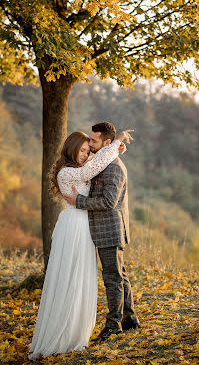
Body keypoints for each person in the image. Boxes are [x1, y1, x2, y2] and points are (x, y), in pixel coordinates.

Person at [28, 128, 133, 360]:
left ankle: (81, 329)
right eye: (83, 150)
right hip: (74, 228)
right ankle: (64, 332)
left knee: (85, 279)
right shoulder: (67, 173)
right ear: (72, 149)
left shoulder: (79, 168)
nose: (86, 154)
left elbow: (99, 163)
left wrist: (115, 149)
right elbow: (94, 167)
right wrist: (115, 144)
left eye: (88, 149)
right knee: (70, 278)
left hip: (85, 229)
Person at [63, 122, 140, 343]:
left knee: (112, 278)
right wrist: (116, 146)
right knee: (119, 275)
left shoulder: (114, 167)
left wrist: (79, 201)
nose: (89, 143)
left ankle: (113, 325)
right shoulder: (102, 160)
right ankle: (130, 319)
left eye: (93, 141)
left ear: (106, 142)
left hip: (110, 230)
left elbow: (108, 202)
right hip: (104, 230)